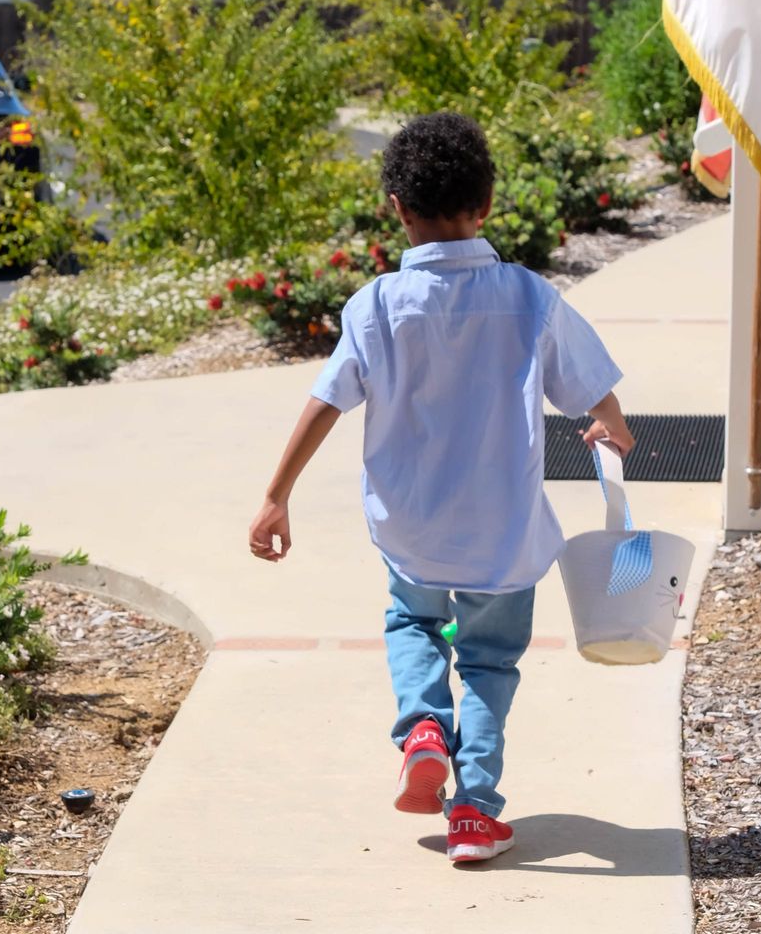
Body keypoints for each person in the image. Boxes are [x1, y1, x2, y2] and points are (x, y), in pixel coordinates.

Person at [249, 112, 634, 865]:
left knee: (412, 623)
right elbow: (596, 393)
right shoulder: (529, 297)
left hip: (413, 529)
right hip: (504, 534)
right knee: (490, 663)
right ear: (487, 204)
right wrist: (611, 432)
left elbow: (325, 402)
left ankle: (422, 726)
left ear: (397, 207)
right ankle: (474, 813)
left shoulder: (375, 305)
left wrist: (276, 494)